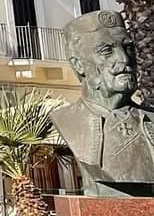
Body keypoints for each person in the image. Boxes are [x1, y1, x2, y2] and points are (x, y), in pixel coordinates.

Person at [51, 11, 154, 196]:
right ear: (78, 65)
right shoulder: (66, 120)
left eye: (128, 48)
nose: (123, 59)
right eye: (106, 51)